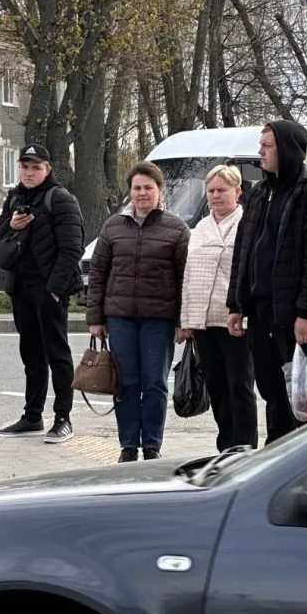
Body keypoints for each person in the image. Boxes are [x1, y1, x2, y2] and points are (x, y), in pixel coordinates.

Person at [87, 161, 189, 462]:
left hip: (159, 320)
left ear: (160, 191)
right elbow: (98, 274)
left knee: (154, 383)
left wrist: (183, 321)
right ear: (130, 191)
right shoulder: (113, 226)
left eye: (148, 188)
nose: (142, 193)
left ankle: (152, 445)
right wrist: (95, 319)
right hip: (120, 319)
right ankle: (129, 445)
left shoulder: (176, 228)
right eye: (137, 188)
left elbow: (185, 278)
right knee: (126, 383)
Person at [227, 120, 307, 444]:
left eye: (267, 146)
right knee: (271, 390)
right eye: (260, 145)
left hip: (290, 315)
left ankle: (299, 455)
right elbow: (243, 250)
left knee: (299, 395)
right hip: (260, 311)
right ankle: (277, 451)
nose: (260, 152)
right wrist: (236, 304)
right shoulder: (260, 193)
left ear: (287, 149)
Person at [0, 144, 85, 443]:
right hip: (20, 288)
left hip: (49, 290)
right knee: (31, 355)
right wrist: (11, 224)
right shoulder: (15, 198)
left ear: (48, 170)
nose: (29, 173)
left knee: (57, 354)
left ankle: (63, 418)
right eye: (25, 167)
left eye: (36, 167)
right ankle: (32, 416)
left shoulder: (61, 198)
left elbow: (72, 249)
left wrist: (55, 291)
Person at [178, 165, 257, 452]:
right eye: (211, 190)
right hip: (203, 322)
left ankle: (245, 446)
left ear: (237, 191)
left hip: (235, 321)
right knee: (217, 387)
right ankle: (225, 446)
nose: (215, 195)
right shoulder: (200, 228)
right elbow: (188, 275)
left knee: (240, 386)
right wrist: (186, 320)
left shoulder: (247, 224)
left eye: (222, 190)